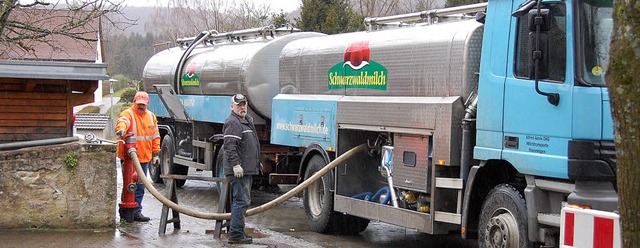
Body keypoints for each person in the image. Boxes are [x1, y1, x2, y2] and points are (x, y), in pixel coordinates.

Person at [115, 91, 160, 222]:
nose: (141, 106)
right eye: (139, 104)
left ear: (147, 104)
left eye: (143, 104)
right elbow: (122, 122)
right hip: (129, 157)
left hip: (144, 158)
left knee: (140, 186)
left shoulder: (151, 117)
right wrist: (121, 129)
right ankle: (125, 211)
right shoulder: (128, 114)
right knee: (129, 185)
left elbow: (155, 136)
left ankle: (136, 211)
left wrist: (156, 153)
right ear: (134, 102)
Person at [222, 93, 261, 244]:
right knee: (241, 201)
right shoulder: (233, 122)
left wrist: (256, 162)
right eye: (239, 104)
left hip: (247, 168)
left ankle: (237, 231)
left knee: (243, 200)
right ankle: (236, 234)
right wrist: (236, 165)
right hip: (239, 171)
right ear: (232, 106)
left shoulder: (246, 121)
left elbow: (250, 145)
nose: (242, 107)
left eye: (244, 104)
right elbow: (230, 147)